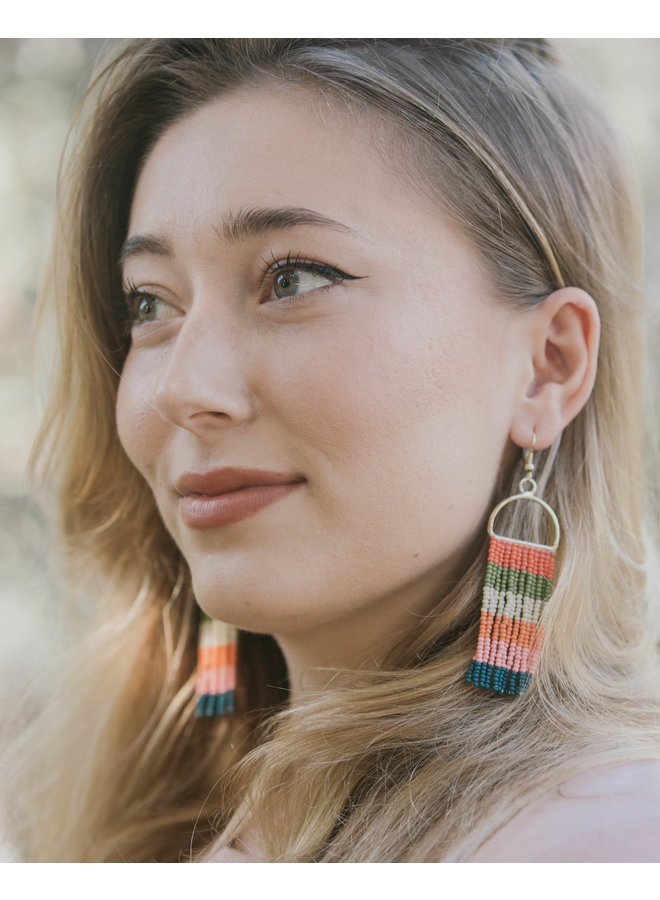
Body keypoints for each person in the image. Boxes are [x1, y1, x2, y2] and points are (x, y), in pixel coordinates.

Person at [3, 38, 660, 863]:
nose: (180, 387)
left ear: (548, 367)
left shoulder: (609, 844)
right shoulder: (144, 823)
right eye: (149, 303)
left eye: (295, 279)